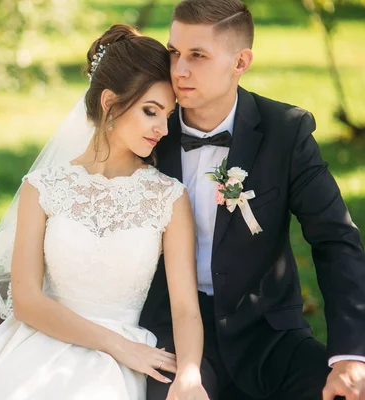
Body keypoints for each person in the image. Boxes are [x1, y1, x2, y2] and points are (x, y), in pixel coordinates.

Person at [0, 24, 209, 400]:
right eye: (150, 112)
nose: (163, 128)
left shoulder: (168, 197)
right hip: (35, 346)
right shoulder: (41, 188)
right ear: (110, 102)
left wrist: (190, 375)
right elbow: (27, 300)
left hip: (115, 368)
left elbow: (185, 308)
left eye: (167, 114)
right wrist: (117, 345)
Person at [140, 1, 365, 399]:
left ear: (240, 61)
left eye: (197, 55)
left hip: (268, 335)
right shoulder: (146, 128)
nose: (179, 70)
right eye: (174, 52)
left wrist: (350, 356)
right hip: (170, 333)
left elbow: (335, 239)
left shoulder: (286, 132)